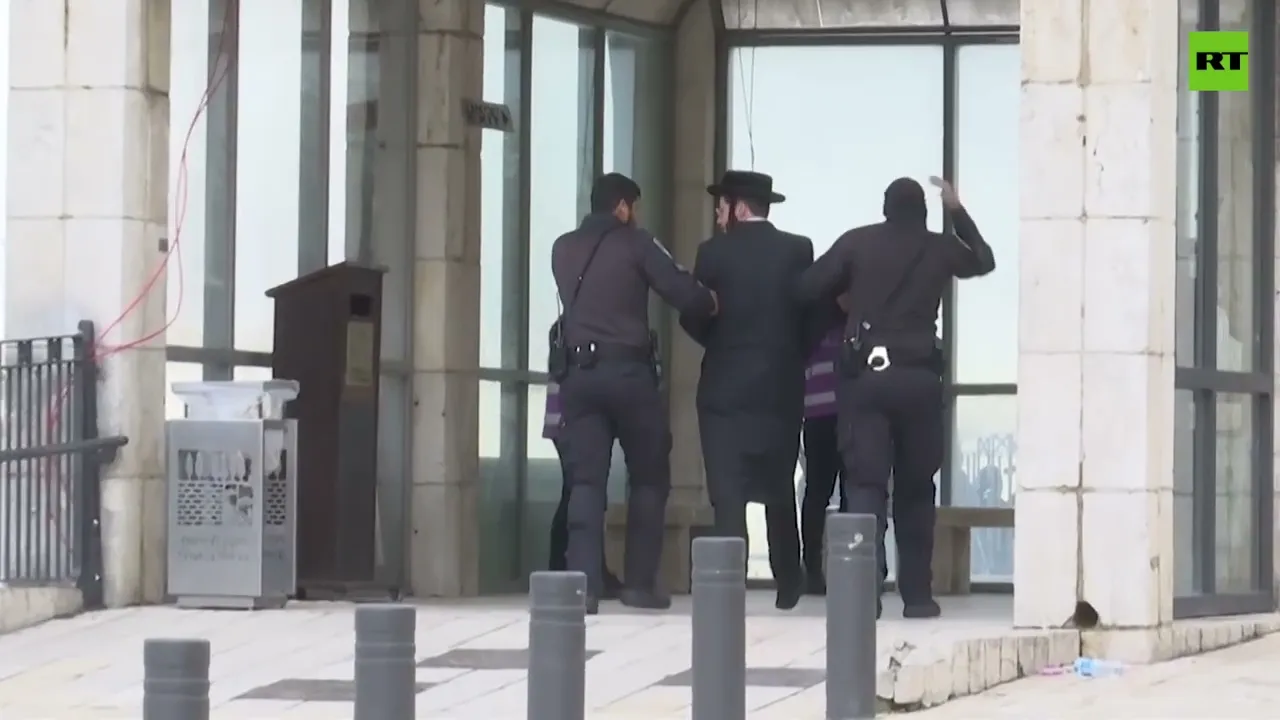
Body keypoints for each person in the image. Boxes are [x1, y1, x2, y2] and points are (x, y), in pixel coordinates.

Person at [796, 176, 994, 619]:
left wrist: (848, 301)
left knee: (865, 486)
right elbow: (984, 260)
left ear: (885, 209)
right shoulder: (940, 248)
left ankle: (865, 595)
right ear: (923, 211)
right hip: (920, 379)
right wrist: (957, 210)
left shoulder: (857, 243)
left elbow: (806, 288)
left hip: (866, 379)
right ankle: (918, 597)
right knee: (917, 489)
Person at [552, 172, 718, 613]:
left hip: (578, 377)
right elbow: (682, 290)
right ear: (623, 207)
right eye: (634, 207)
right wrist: (711, 302)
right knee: (648, 475)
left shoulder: (562, 248)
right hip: (627, 374)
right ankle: (639, 585)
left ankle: (583, 587)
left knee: (586, 481)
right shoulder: (636, 243)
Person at [679, 170, 835, 611]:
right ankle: (789, 579)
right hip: (780, 388)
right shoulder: (797, 250)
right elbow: (816, 312)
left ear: (738, 206)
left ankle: (730, 585)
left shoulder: (712, 253)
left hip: (724, 391)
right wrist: (790, 354)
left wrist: (723, 344)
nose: (716, 212)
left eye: (721, 204)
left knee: (726, 493)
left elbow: (693, 313)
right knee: (779, 486)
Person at [544, 382, 623, 597]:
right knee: (579, 490)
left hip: (569, 413)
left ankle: (569, 568)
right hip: (571, 415)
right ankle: (563, 568)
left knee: (579, 490)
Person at [800, 305, 848, 595]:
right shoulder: (844, 324)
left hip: (828, 415)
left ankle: (826, 568)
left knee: (823, 494)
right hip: (827, 416)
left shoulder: (812, 325)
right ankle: (816, 569)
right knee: (824, 493)